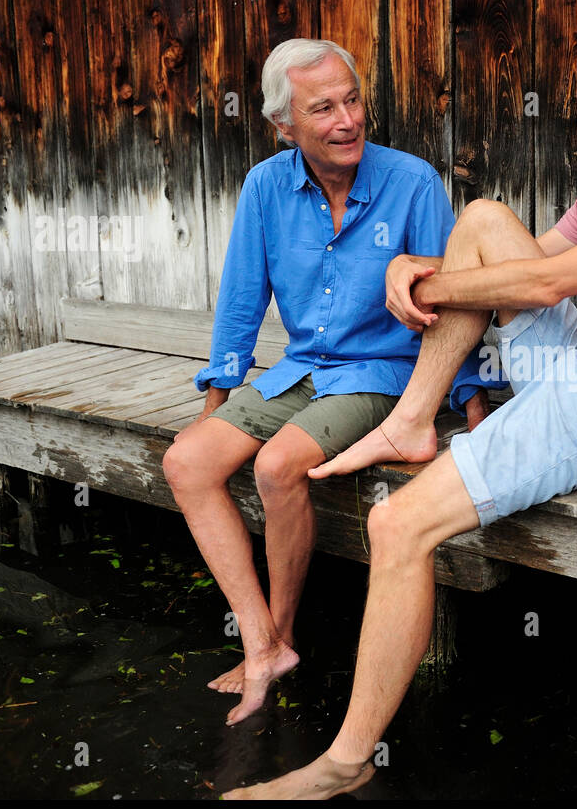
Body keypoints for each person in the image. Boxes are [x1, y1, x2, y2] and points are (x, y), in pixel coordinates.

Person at [223, 16, 577, 797]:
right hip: (568, 364)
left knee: (396, 523)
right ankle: (410, 420)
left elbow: (541, 287)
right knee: (482, 219)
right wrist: (417, 259)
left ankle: (343, 760)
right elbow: (516, 260)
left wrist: (417, 283)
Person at [162, 39, 490, 725]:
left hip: (382, 372)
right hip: (301, 369)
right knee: (186, 461)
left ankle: (282, 636)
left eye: (353, 100)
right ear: (285, 126)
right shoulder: (265, 186)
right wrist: (218, 396)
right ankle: (259, 639)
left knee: (279, 465)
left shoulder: (411, 181)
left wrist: (469, 398)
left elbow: (456, 296)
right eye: (324, 108)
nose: (347, 119)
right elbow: (243, 297)